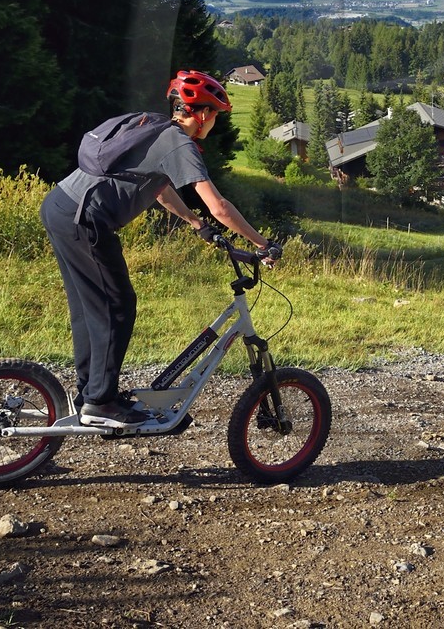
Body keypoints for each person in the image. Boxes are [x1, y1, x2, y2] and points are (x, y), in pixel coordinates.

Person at [40, 69, 273, 427]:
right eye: (215, 115)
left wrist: (196, 225)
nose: (214, 123)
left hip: (60, 205)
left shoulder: (158, 129)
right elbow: (219, 206)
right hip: (84, 219)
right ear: (203, 114)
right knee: (117, 305)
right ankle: (100, 402)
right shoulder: (179, 143)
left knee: (89, 309)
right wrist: (263, 244)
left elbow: (159, 189)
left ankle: (91, 392)